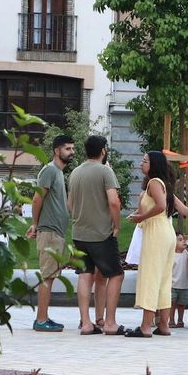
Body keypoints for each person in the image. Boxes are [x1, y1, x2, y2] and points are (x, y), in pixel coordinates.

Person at [68, 134, 124, 335]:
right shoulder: (104, 171)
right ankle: (109, 323)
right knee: (116, 274)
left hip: (79, 233)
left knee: (84, 275)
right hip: (101, 233)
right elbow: (114, 201)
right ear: (103, 151)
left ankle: (85, 323)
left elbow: (70, 204)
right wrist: (116, 225)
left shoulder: (75, 172)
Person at [126, 150, 178, 337]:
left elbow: (161, 206)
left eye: (145, 161)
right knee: (164, 279)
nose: (141, 163)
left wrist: (141, 216)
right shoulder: (163, 184)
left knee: (150, 278)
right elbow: (168, 206)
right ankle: (163, 325)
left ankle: (145, 326)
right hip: (166, 232)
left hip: (156, 232)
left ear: (154, 164)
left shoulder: (154, 183)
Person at [27, 135, 74, 332]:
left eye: (72, 148)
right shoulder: (50, 171)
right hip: (49, 232)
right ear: (57, 151)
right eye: (68, 149)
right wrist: (35, 224)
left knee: (51, 276)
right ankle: (40, 320)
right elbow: (37, 199)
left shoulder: (58, 173)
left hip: (57, 232)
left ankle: (44, 316)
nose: (72, 152)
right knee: (47, 276)